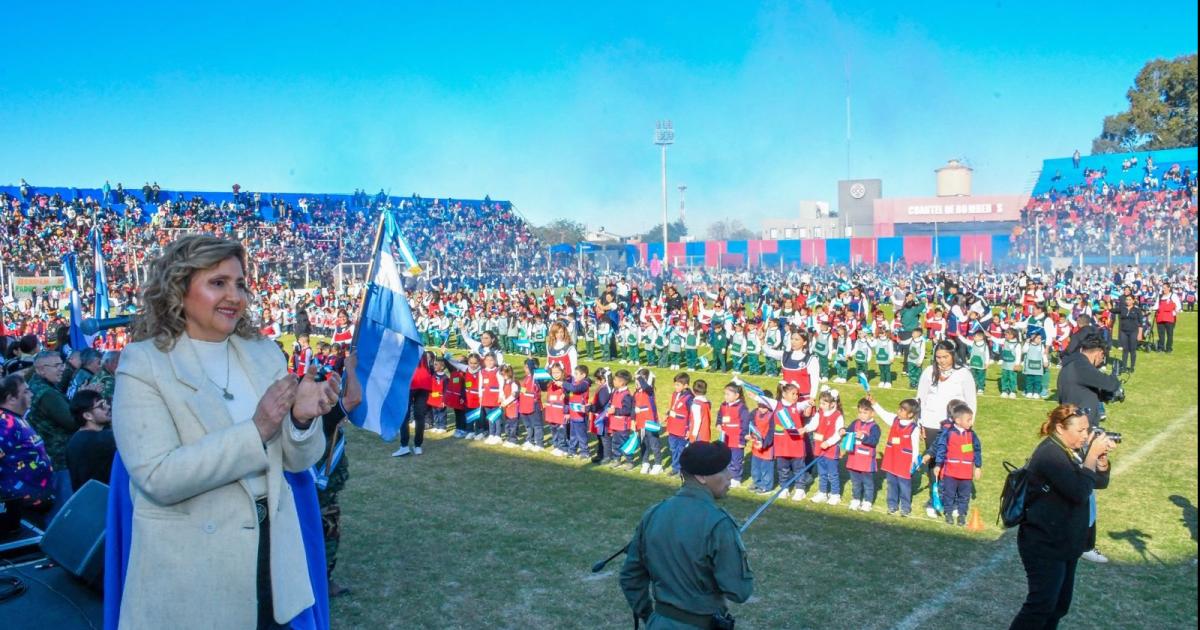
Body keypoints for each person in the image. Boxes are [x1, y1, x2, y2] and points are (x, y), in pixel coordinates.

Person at [112, 235, 340, 629]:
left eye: (240, 284)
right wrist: (257, 430)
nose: (234, 295)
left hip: (273, 558)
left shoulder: (264, 352)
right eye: (217, 282)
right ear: (178, 289)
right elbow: (158, 477)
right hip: (193, 568)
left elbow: (297, 461)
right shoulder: (143, 364)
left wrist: (301, 421)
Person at [619, 441, 753, 628]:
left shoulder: (654, 513)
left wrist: (649, 617)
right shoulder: (719, 523)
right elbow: (740, 591)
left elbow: (631, 576)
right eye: (722, 470)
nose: (730, 476)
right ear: (701, 477)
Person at [1010, 405, 1114, 629]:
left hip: (1066, 542)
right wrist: (1092, 456)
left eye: (1088, 430)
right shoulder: (1050, 454)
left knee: (1059, 606)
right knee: (1041, 605)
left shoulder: (1071, 451)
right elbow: (1078, 491)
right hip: (1044, 544)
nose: (1086, 435)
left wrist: (1101, 462)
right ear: (1060, 428)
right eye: (1080, 431)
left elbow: (1098, 482)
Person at [916, 340, 976, 518]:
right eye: (938, 357)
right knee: (934, 462)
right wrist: (919, 423)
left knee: (953, 463)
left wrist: (969, 424)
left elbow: (971, 400)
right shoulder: (929, 372)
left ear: (953, 355)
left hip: (954, 426)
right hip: (931, 423)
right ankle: (935, 499)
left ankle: (955, 500)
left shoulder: (963, 374)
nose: (941, 361)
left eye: (945, 357)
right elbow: (920, 397)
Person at [25, 350, 76, 515]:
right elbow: (72, 422)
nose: (62, 369)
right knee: (63, 510)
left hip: (47, 457)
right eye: (56, 365)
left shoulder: (36, 385)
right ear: (41, 369)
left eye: (62, 364)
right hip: (58, 458)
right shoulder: (47, 393)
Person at [0, 374, 54, 528]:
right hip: (19, 507)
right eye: (26, 391)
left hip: (33, 501)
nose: (31, 394)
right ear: (11, 398)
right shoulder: (4, 423)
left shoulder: (15, 418)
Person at [1056, 333, 1121, 429]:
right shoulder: (1082, 366)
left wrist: (1104, 395)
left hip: (1072, 422)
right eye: (1103, 357)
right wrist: (1115, 377)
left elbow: (1084, 388)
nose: (1102, 361)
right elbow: (1109, 384)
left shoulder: (1072, 364)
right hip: (1080, 427)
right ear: (1099, 353)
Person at [933, 403, 981, 526]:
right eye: (968, 420)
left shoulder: (972, 435)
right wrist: (938, 464)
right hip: (951, 472)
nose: (971, 422)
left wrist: (978, 466)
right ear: (958, 420)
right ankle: (948, 513)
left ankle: (961, 515)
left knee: (964, 496)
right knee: (948, 494)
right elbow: (941, 448)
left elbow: (977, 450)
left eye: (971, 419)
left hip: (966, 473)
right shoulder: (948, 433)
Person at [65, 389, 116, 491]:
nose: (108, 407)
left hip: (88, 501)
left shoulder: (75, 440)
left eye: (105, 402)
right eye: (101, 405)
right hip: (103, 500)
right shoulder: (102, 440)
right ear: (87, 415)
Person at [1112, 295, 1144, 374]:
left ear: (1133, 301)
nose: (1128, 301)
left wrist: (1140, 334)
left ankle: (1132, 367)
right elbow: (1112, 310)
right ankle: (1124, 366)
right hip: (1123, 332)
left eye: (1129, 300)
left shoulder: (1137, 310)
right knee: (1125, 350)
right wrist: (1108, 302)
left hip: (1133, 331)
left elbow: (1141, 323)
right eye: (1127, 299)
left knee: (1132, 350)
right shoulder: (1122, 309)